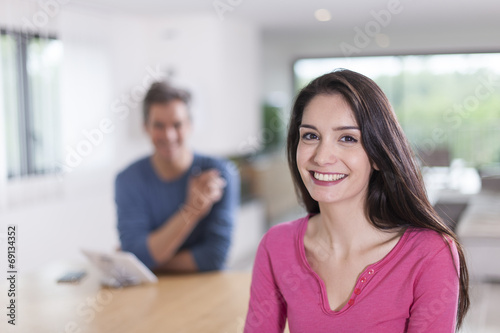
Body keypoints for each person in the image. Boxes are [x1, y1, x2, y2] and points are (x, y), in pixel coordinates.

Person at [244, 69, 469, 332]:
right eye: (311, 136)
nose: (322, 156)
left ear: (376, 155)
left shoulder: (430, 254)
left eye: (348, 138)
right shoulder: (276, 246)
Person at [115, 81, 239, 272]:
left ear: (190, 125)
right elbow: (136, 252)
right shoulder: (128, 180)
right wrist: (192, 211)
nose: (169, 135)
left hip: (209, 290)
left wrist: (148, 264)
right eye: (158, 125)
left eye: (177, 124)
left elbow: (214, 257)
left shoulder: (219, 173)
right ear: (145, 127)